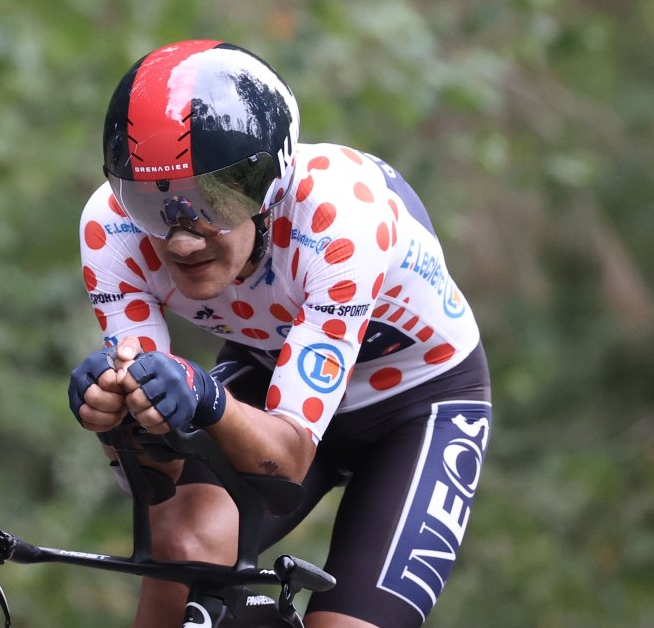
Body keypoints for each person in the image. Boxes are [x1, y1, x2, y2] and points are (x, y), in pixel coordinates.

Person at [68, 39, 492, 628]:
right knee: (184, 549)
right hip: (272, 367)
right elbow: (157, 493)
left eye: (211, 202)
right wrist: (118, 422)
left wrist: (205, 398)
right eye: (149, 201)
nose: (182, 238)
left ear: (270, 186)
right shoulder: (111, 229)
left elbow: (287, 460)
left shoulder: (339, 219)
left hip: (418, 405)